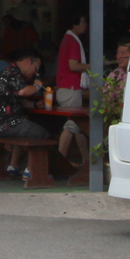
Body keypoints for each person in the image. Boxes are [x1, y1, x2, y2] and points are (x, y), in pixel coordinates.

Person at [0, 48, 52, 181]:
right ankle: (32, 172)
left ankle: (14, 167)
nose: (36, 72)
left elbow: (19, 100)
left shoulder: (7, 72)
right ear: (27, 62)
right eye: (36, 68)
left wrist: (35, 105)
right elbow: (23, 92)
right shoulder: (13, 73)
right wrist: (37, 86)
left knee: (26, 127)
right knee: (40, 132)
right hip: (2, 123)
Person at [53, 16, 90, 161]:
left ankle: (87, 161)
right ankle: (59, 160)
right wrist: (94, 65)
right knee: (72, 125)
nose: (86, 25)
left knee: (79, 126)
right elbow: (73, 66)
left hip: (65, 87)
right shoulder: (73, 41)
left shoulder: (67, 39)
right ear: (75, 24)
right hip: (71, 87)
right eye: (83, 22)